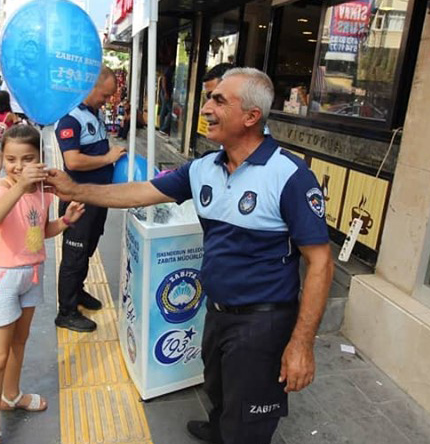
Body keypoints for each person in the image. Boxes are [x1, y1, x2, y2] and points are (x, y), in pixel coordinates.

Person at [46, 67, 334, 444]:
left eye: (219, 100)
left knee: (247, 425)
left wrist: (301, 344)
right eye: (209, 99)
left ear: (251, 117)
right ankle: (217, 429)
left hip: (263, 323)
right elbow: (138, 192)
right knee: (218, 391)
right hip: (216, 313)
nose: (206, 108)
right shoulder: (203, 168)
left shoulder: (290, 176)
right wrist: (76, 190)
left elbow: (321, 263)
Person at [0, 124, 85, 444]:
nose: (18, 166)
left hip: (31, 275)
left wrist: (65, 222)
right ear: (3, 159)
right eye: (11, 159)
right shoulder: (1, 189)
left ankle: (11, 396)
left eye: (27, 159)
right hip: (0, 278)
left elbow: (37, 234)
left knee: (19, 344)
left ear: (41, 158)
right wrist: (17, 186)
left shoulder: (41, 191)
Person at [53, 65, 126, 333]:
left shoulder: (92, 114)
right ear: (90, 87)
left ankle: (78, 292)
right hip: (79, 200)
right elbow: (72, 161)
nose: (106, 101)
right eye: (104, 96)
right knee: (74, 254)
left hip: (98, 197)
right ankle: (66, 311)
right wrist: (108, 158)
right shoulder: (70, 118)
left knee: (88, 248)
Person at [0, 90, 18, 182]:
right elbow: (16, 128)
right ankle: (9, 183)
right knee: (8, 164)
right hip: (8, 143)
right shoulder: (11, 115)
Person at [158, 64, 174, 135]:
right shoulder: (169, 69)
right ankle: (163, 128)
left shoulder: (170, 69)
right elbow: (164, 79)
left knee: (164, 110)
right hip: (166, 93)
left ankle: (162, 128)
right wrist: (166, 92)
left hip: (166, 93)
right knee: (172, 111)